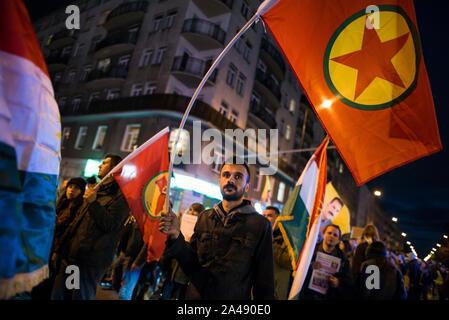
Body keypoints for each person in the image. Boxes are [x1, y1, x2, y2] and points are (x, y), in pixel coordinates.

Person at [159, 157, 275, 300]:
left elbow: (264, 282)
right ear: (220, 180)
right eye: (226, 175)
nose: (230, 180)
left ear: (246, 186)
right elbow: (191, 265)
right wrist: (176, 235)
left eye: (238, 177)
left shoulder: (260, 224)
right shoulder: (205, 217)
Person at [51, 154, 130, 300]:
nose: (100, 166)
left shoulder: (121, 197)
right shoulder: (96, 191)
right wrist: (60, 249)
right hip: (71, 257)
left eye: (105, 163)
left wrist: (93, 203)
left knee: (81, 296)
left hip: (90, 262)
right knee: (62, 295)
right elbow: (76, 223)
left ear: (114, 169)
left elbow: (111, 225)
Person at [31, 177, 86, 299]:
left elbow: (70, 231)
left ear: (82, 191)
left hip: (66, 252)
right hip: (51, 247)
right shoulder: (63, 203)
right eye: (70, 187)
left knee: (62, 285)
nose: (71, 190)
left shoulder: (80, 209)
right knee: (46, 280)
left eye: (76, 188)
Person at [299, 224, 353, 300]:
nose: (331, 236)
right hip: (307, 295)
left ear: (338, 240)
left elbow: (349, 283)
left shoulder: (343, 259)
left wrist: (338, 283)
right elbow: (298, 270)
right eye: (329, 233)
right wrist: (310, 266)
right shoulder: (311, 250)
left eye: (335, 235)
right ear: (323, 235)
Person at [264, 206, 292, 300]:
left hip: (275, 291)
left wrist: (271, 243)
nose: (266, 218)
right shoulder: (260, 234)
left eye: (270, 215)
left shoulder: (287, 239)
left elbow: (288, 262)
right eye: (264, 215)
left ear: (278, 219)